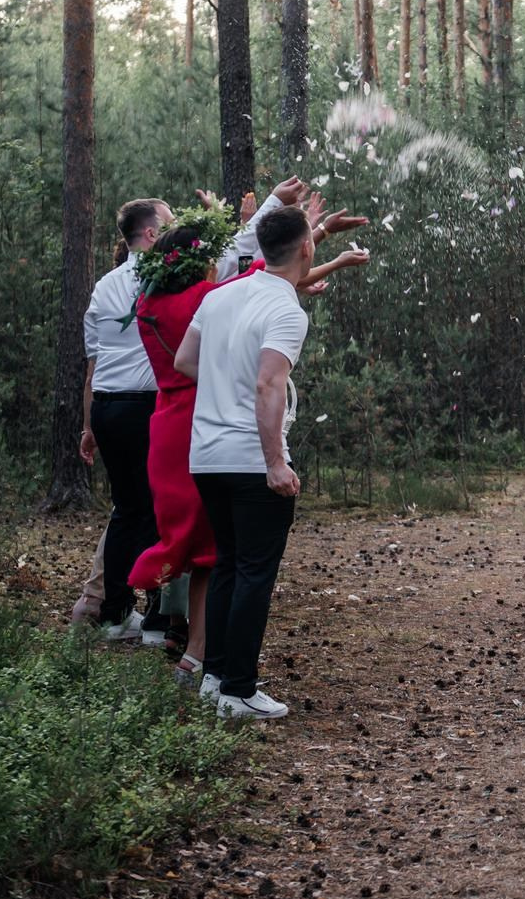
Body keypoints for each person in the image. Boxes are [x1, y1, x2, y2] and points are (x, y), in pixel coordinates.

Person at [128, 180, 367, 683]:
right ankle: (236, 686)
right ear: (305, 248)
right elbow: (267, 383)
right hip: (248, 456)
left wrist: (220, 381)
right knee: (253, 574)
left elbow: (186, 360)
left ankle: (212, 675)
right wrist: (276, 461)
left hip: (202, 452)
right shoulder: (282, 308)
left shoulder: (214, 299)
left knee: (224, 566)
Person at [76, 196, 173, 645]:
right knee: (152, 511)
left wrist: (89, 426)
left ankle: (115, 612)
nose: (175, 230)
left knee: (126, 510)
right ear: (151, 233)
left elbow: (93, 366)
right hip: (143, 407)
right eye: (169, 223)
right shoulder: (161, 277)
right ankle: (154, 613)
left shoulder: (102, 286)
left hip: (107, 408)